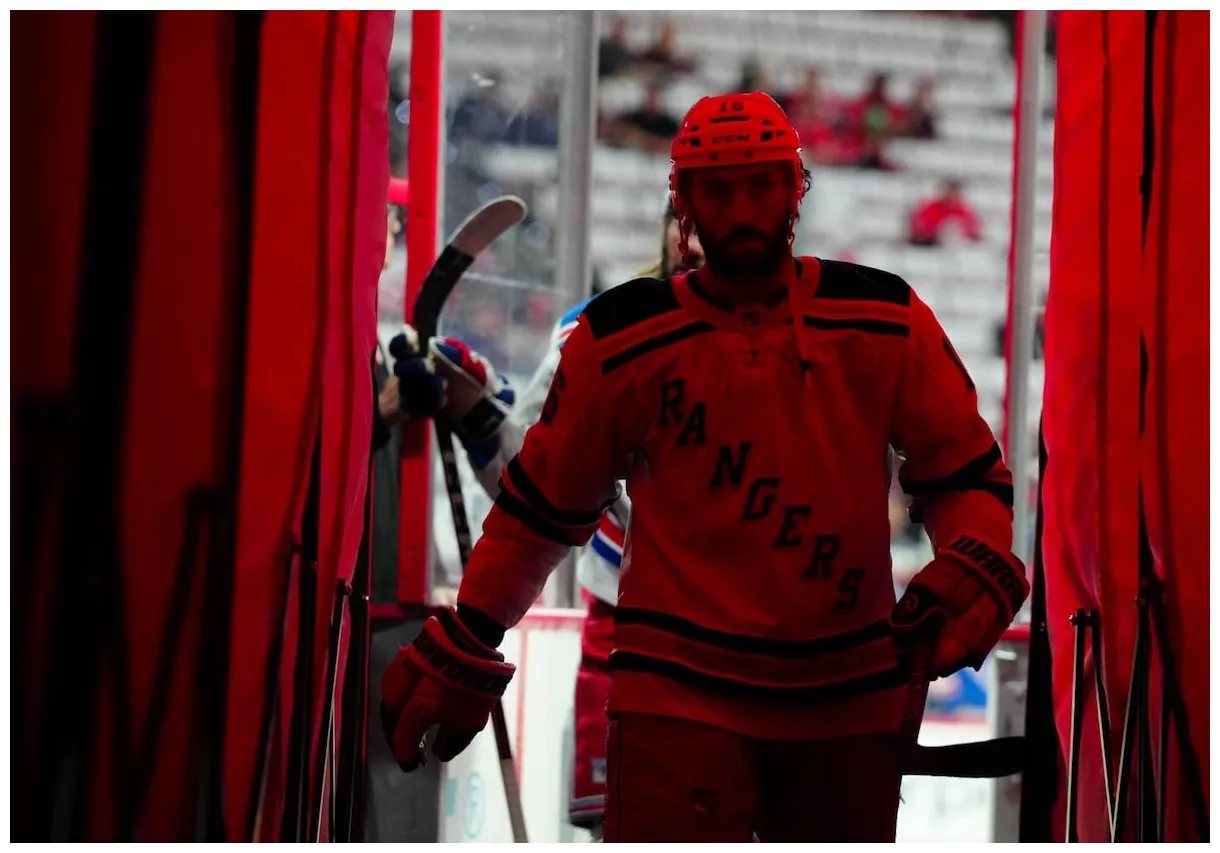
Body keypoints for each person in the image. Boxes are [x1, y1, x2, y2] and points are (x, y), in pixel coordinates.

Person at [380, 92, 1028, 842]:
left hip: (842, 697)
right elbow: (539, 513)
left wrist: (972, 551)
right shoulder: (617, 339)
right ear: (683, 200)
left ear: (796, 188)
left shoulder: (884, 320)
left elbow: (964, 472)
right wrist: (472, 629)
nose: (744, 209)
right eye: (719, 189)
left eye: (761, 185)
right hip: (677, 703)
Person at [383, 199, 703, 837]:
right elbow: (537, 479)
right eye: (681, 213)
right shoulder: (596, 330)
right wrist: (477, 412)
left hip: (756, 653)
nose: (691, 236)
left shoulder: (797, 342)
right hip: (625, 639)